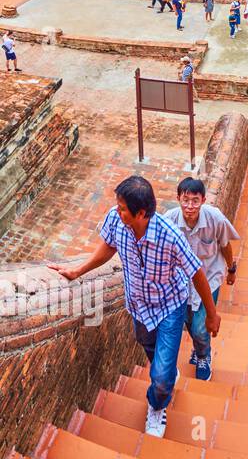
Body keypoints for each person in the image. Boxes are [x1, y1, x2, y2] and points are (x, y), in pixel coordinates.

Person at [48, 176, 217, 437]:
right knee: (150, 350)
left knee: (160, 378)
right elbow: (108, 247)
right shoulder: (118, 220)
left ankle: (157, 405)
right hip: (138, 304)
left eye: (123, 208)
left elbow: (197, 273)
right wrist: (77, 271)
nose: (118, 211)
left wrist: (211, 315)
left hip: (170, 305)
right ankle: (167, 372)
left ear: (140, 213)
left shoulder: (170, 237)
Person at [162, 177, 239, 382]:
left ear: (203, 200)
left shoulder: (215, 219)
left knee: (199, 325)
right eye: (185, 200)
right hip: (180, 282)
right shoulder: (169, 220)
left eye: (195, 200)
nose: (190, 206)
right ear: (178, 198)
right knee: (188, 320)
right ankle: (199, 347)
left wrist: (231, 269)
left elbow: (225, 245)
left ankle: (204, 356)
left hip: (208, 277)